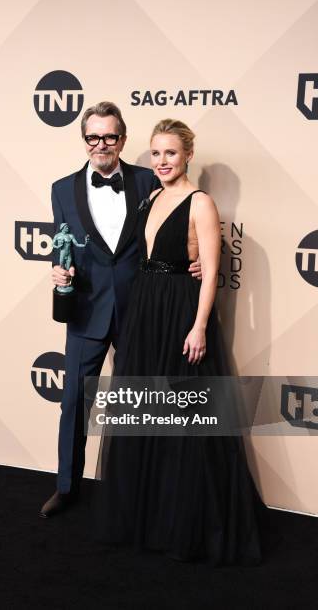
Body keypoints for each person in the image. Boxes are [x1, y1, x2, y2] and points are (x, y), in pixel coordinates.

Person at [93, 119, 266, 566]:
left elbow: (209, 270)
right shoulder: (151, 195)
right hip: (146, 310)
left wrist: (199, 325)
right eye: (155, 153)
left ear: (189, 154)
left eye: (170, 153)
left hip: (179, 313)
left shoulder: (200, 203)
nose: (162, 162)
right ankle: (147, 517)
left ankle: (184, 522)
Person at [40, 103, 202, 518]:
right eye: (92, 137)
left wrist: (194, 259)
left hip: (141, 307)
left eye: (110, 136)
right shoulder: (61, 189)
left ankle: (138, 491)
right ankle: (66, 487)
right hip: (86, 309)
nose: (101, 145)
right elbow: (63, 244)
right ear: (84, 140)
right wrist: (58, 272)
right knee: (75, 402)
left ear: (123, 140)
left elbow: (178, 225)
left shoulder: (150, 179)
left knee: (141, 402)